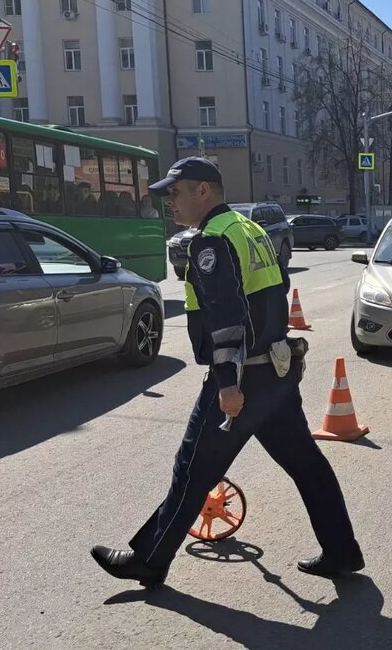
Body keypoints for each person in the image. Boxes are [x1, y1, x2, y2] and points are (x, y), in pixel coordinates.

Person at [91, 157, 364, 587]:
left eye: (175, 193)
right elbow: (273, 293)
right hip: (275, 372)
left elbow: (227, 319)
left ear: (204, 192)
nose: (169, 203)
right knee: (306, 463)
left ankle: (148, 560)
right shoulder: (249, 229)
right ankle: (342, 550)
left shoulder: (211, 241)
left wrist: (227, 385)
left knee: (191, 470)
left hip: (244, 379)